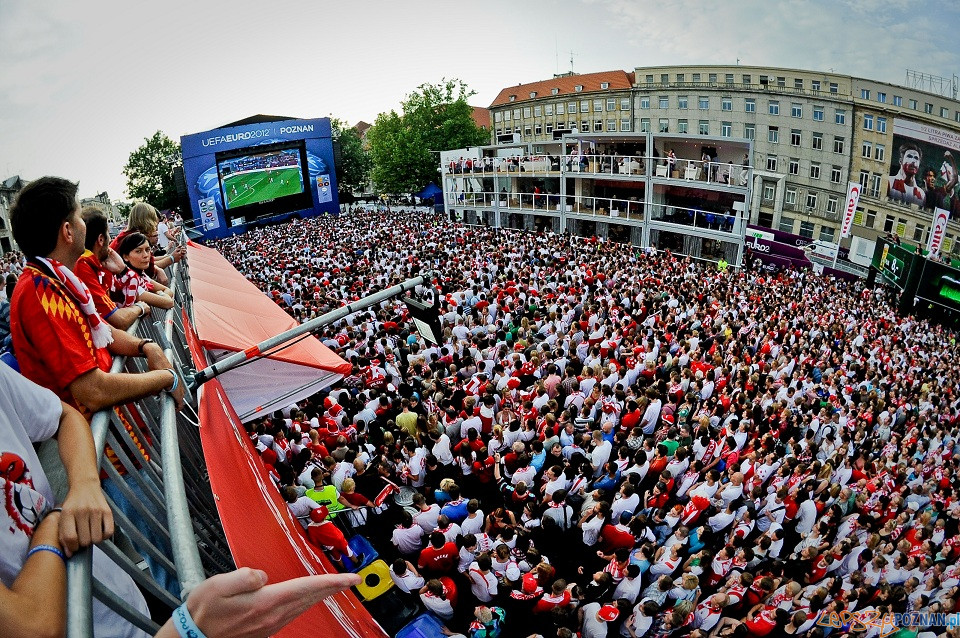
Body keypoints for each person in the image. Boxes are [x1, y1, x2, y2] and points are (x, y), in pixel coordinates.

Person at [75, 207, 150, 329]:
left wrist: (123, 271)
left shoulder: (99, 265)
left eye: (148, 250)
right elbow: (119, 320)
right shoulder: (83, 266)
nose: (146, 255)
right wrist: (140, 308)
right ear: (101, 239)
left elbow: (120, 299)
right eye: (108, 234)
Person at [114, 231, 175, 310]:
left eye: (147, 250)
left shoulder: (141, 274)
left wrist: (159, 293)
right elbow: (169, 302)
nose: (146, 255)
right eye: (138, 251)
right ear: (125, 257)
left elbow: (167, 290)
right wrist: (160, 294)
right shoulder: (129, 280)